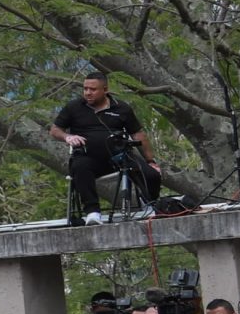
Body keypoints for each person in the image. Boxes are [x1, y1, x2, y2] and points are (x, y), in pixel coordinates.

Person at [49, 69, 163, 223]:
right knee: (80, 167)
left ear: (105, 90)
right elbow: (55, 130)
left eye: (93, 89)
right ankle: (92, 212)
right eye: (85, 89)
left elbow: (138, 134)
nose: (88, 93)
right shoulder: (74, 107)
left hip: (119, 157)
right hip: (88, 157)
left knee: (152, 175)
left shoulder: (122, 108)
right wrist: (68, 137)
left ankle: (149, 203)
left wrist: (150, 161)